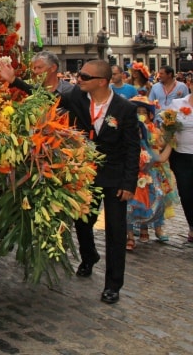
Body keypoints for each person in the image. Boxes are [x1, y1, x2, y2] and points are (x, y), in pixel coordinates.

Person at [58, 59, 140, 305]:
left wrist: (129, 184)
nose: (79, 79)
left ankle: (113, 285)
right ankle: (89, 256)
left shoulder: (125, 108)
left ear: (102, 82)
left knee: (116, 231)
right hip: (87, 174)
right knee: (83, 221)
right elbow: (45, 96)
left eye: (85, 76)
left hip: (115, 177)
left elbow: (132, 149)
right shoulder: (76, 98)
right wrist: (14, 81)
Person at [125, 97, 175, 249]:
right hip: (131, 176)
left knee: (155, 198)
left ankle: (150, 228)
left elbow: (159, 156)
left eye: (143, 112)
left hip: (149, 174)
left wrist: (171, 140)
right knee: (129, 205)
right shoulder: (127, 134)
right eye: (137, 112)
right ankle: (130, 235)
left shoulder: (151, 135)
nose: (140, 114)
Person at [164, 92, 193, 244]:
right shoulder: (177, 104)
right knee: (187, 193)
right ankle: (192, 225)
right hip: (182, 156)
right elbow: (167, 126)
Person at [0, 50, 73, 98]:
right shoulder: (33, 89)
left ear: (53, 68)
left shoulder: (69, 90)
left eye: (39, 68)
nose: (35, 72)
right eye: (34, 68)